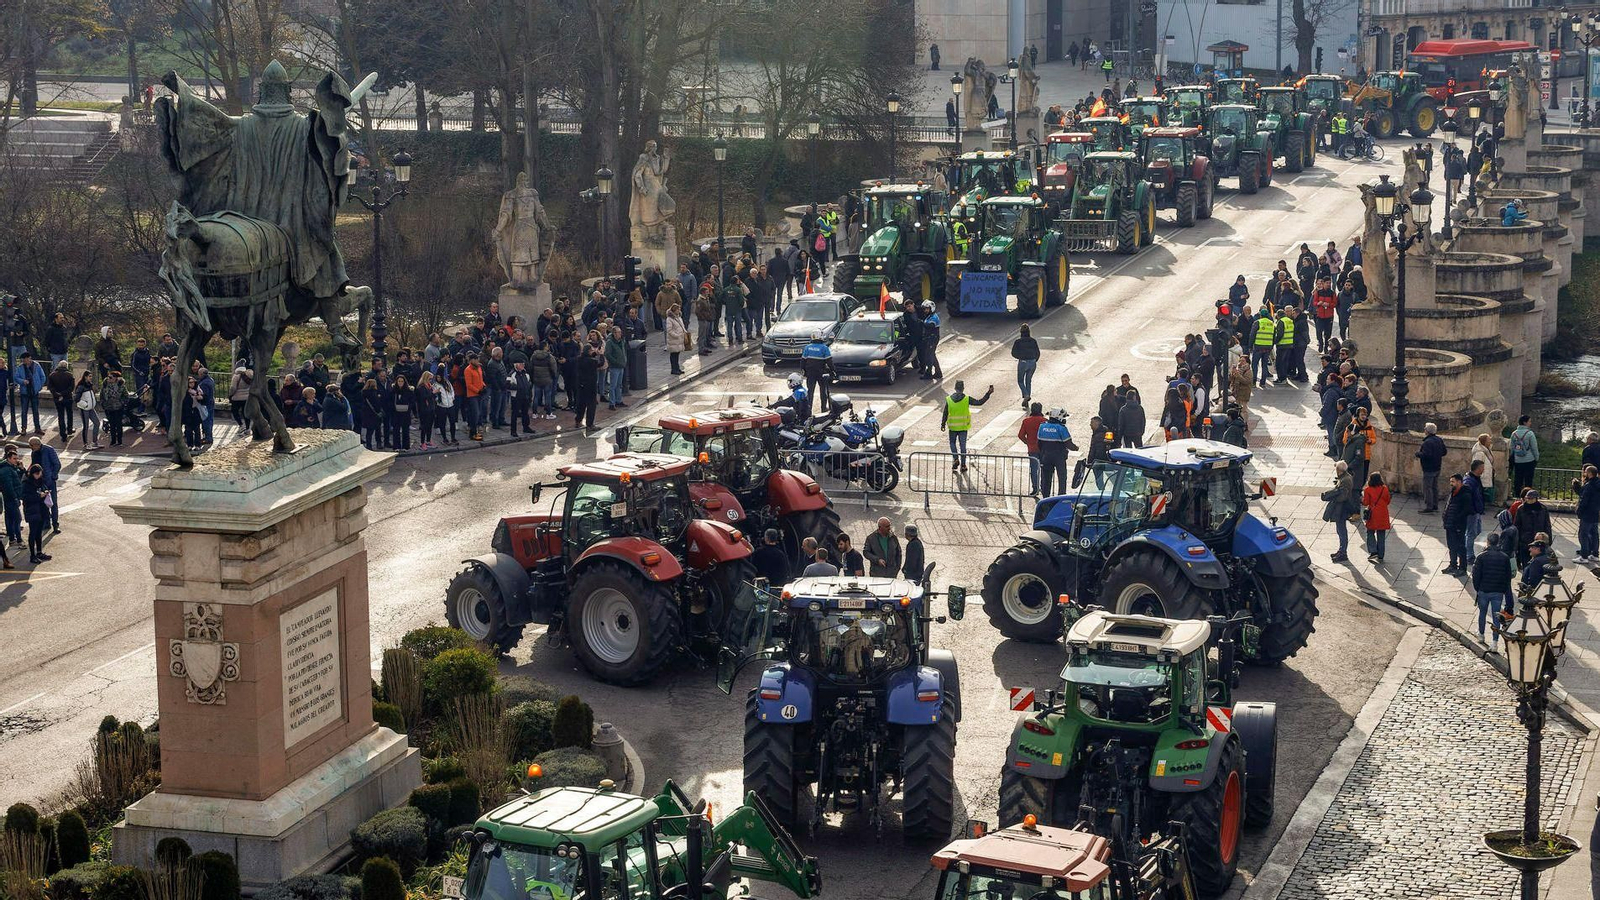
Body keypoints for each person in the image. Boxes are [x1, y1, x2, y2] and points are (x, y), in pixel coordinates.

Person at [1472, 532, 1514, 649]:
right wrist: (1503, 589)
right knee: (1497, 616)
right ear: (1498, 542)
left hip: (1484, 590)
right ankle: (1495, 642)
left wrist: (1478, 588)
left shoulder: (1481, 556)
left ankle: (1481, 635)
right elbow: (1508, 576)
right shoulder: (1504, 557)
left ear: (1488, 542)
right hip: (1498, 591)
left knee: (1482, 613)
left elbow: (1476, 575)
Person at [940, 381, 994, 473]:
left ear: (955, 388)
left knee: (952, 443)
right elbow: (979, 402)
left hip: (952, 427)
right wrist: (988, 393)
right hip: (963, 427)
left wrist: (943, 424)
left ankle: (955, 458)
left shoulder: (949, 399)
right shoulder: (966, 399)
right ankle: (963, 465)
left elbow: (945, 413)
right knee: (963, 446)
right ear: (963, 388)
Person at [1036, 408, 1075, 497]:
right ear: (1059, 417)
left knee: (1046, 478)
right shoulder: (1061, 428)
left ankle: (1045, 497)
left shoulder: (1042, 426)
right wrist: (1076, 448)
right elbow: (1068, 443)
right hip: (1059, 457)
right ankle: (1061, 496)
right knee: (1062, 477)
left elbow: (1039, 443)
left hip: (1045, 456)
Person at [1323, 460, 1356, 563]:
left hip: (1342, 509)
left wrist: (1333, 496)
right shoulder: (1344, 477)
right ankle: (1341, 550)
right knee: (1340, 530)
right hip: (1341, 508)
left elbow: (1343, 496)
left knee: (1342, 531)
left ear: (1339, 470)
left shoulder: (1345, 479)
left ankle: (1343, 553)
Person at [1513, 489, 1552, 567]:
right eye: (1528, 498)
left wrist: (1549, 540)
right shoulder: (1521, 509)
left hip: (1539, 541)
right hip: (1525, 541)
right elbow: (1517, 525)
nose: (1529, 500)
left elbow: (1547, 525)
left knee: (1537, 564)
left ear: (1536, 499)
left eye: (1531, 498)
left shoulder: (1543, 509)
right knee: (1526, 564)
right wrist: (1517, 542)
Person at [27, 436, 58, 534]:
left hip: (49, 481)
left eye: (31, 446)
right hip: (39, 481)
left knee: (53, 503)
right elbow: (33, 464)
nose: (31, 448)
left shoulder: (49, 450)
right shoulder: (34, 452)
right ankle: (47, 522)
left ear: (36, 445)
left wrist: (53, 476)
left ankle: (55, 524)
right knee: (43, 504)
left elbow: (57, 464)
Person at [1442, 473, 1471, 574]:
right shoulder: (1453, 492)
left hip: (1458, 526)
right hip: (1449, 525)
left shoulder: (1465, 494)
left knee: (1460, 546)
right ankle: (1453, 565)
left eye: (1453, 482)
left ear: (1459, 482)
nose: (1451, 484)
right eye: (1450, 482)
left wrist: (1456, 520)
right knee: (1451, 546)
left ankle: (1462, 568)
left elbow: (1466, 510)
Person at [21, 463, 49, 564]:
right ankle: (32, 555)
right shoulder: (26, 483)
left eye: (40, 473)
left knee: (39, 532)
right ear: (32, 473)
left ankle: (39, 552)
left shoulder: (40, 480)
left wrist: (45, 492)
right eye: (37, 474)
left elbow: (44, 487)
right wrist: (39, 496)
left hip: (41, 510)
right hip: (32, 510)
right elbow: (25, 497)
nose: (39, 476)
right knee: (33, 533)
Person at [1416, 422, 1447, 512]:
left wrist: (1418, 454)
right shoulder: (1439, 440)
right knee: (1434, 487)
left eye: (1425, 429)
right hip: (1437, 466)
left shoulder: (1427, 442)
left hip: (1429, 468)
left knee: (1428, 487)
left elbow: (1426, 455)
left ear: (1427, 431)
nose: (1424, 430)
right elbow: (1444, 452)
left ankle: (1429, 507)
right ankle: (1435, 505)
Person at [1362, 471, 1391, 562]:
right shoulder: (1384, 489)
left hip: (1373, 514)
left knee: (1370, 532)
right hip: (1383, 513)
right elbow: (1388, 501)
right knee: (1381, 534)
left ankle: (1373, 551)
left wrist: (1361, 499)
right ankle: (1381, 555)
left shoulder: (1368, 490)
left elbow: (1366, 502)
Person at [1018, 402, 1046, 495]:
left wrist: (1028, 443)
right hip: (1043, 449)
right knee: (1044, 469)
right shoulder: (1045, 421)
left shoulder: (1026, 421)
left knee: (1034, 470)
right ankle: (1044, 487)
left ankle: (1035, 488)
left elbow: (1021, 435)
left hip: (1032, 449)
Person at [1574, 465, 1600, 563]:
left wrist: (1579, 511)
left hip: (1587, 513)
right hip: (1596, 512)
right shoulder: (1598, 483)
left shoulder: (1589, 486)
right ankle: (1595, 554)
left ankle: (1584, 556)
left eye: (1585, 472)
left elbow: (1583, 500)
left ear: (1589, 473)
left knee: (1583, 534)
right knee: (1594, 533)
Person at [801, 330, 833, 409]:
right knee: (823, 391)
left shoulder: (807, 347)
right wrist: (833, 370)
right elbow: (829, 361)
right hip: (821, 373)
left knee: (810, 391)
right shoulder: (824, 348)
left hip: (810, 373)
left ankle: (809, 408)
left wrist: (803, 370)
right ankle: (823, 408)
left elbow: (803, 361)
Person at [572, 344, 601, 431]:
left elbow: (589, 356)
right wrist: (601, 355)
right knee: (591, 405)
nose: (593, 351)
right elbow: (600, 363)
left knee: (581, 404)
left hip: (581, 384)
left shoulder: (579, 359)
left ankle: (578, 421)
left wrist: (594, 353)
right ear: (588, 351)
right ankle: (590, 424)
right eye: (591, 350)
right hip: (590, 385)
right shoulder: (592, 362)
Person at [71, 370, 101, 450]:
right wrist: (85, 405)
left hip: (91, 408)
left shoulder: (90, 385)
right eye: (89, 376)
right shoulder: (81, 386)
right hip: (84, 409)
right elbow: (76, 399)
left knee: (97, 423)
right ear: (85, 377)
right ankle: (85, 444)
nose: (91, 378)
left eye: (91, 376)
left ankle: (95, 442)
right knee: (86, 426)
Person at [1509, 414, 1538, 496]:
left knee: (1518, 479)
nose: (1530, 423)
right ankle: (1528, 496)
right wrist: (1536, 458)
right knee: (1528, 480)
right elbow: (1534, 448)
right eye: (1529, 421)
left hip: (1518, 460)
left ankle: (1517, 495)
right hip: (1529, 460)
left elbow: (1511, 448)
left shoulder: (1514, 434)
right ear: (1525, 422)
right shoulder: (1530, 433)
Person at [1012, 325, 1039, 406]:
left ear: (1021, 332)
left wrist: (1021, 357)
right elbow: (1037, 352)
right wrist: (1034, 360)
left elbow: (1013, 353)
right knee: (1028, 381)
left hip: (1023, 362)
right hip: (1032, 362)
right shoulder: (1033, 341)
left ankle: (1026, 395)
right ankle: (1026, 399)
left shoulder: (1018, 341)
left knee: (1020, 381)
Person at [100, 370, 128, 447]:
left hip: (118, 408)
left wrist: (122, 403)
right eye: (108, 377)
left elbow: (126, 396)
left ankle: (119, 441)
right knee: (112, 425)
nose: (108, 378)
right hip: (108, 408)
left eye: (110, 377)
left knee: (118, 424)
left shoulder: (121, 385)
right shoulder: (105, 385)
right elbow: (101, 395)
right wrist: (103, 404)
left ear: (116, 378)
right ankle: (113, 441)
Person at [604, 327, 629, 410]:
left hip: (621, 366)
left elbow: (623, 351)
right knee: (613, 386)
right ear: (614, 333)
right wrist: (615, 361)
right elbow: (607, 354)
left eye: (620, 332)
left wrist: (624, 360)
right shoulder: (610, 342)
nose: (620, 334)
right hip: (614, 367)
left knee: (619, 385)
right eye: (618, 332)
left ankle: (619, 400)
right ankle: (612, 403)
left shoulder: (621, 341)